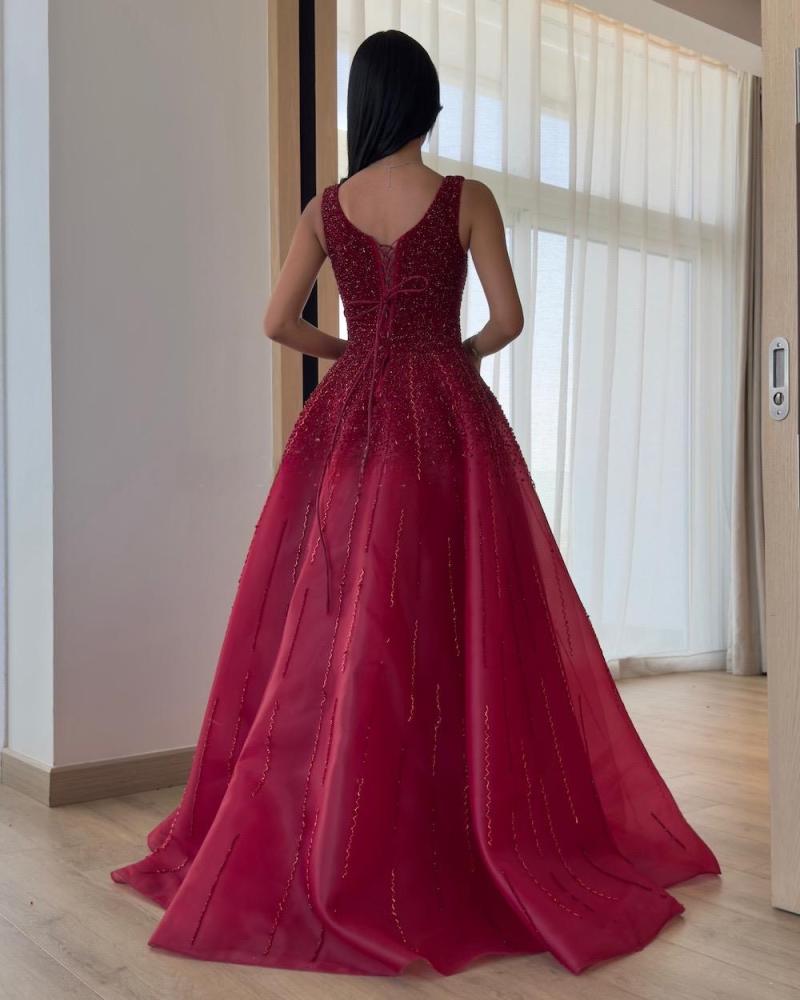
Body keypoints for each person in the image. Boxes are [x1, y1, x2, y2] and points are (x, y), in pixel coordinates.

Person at [110, 28, 720, 976]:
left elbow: (276, 322)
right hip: (445, 423)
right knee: (455, 620)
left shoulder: (327, 209)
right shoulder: (467, 198)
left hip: (353, 427)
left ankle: (346, 826)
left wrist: (349, 354)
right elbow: (510, 319)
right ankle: (454, 817)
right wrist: (457, 355)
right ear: (427, 105)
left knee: (351, 624)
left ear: (363, 107)